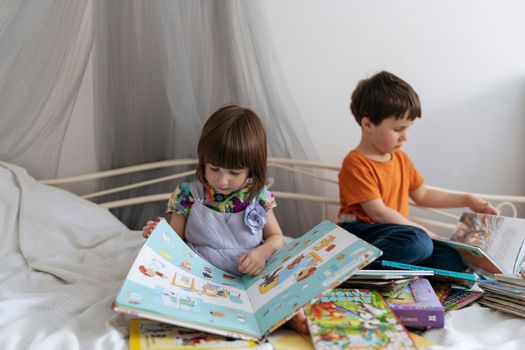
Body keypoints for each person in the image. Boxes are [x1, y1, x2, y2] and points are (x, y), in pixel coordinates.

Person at [142, 104, 309, 333]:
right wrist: (159, 235)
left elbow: (277, 237)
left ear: (252, 168)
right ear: (203, 161)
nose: (222, 181)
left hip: (250, 277)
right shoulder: (188, 195)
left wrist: (262, 252)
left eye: (234, 173)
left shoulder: (258, 197)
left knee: (283, 289)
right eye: (214, 168)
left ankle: (291, 315)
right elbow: (175, 242)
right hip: (201, 276)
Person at [338, 71, 499, 271]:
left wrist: (467, 199)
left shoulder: (401, 159)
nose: (404, 137)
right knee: (417, 241)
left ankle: (391, 270)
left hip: (396, 233)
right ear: (368, 124)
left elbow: (422, 194)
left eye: (408, 128)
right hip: (361, 232)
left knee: (452, 260)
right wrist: (421, 230)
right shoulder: (355, 163)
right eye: (398, 129)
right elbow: (378, 213)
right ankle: (350, 266)